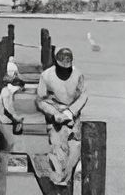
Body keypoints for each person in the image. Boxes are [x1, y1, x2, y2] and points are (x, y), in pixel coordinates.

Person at [35, 47, 87, 186]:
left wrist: (71, 112)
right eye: (62, 67)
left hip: (73, 118)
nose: (65, 71)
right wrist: (54, 113)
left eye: (67, 68)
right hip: (55, 119)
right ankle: (59, 182)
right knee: (59, 150)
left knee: (75, 149)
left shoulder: (78, 75)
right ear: (56, 63)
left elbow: (83, 95)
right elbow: (41, 100)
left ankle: (67, 177)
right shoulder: (46, 76)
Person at [0, 76, 25, 151]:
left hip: (5, 121)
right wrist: (16, 118)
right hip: (4, 121)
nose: (19, 91)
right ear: (17, 86)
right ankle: (4, 160)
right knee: (9, 144)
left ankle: (3, 160)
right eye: (20, 88)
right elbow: (7, 108)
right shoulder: (7, 92)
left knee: (6, 145)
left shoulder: (7, 91)